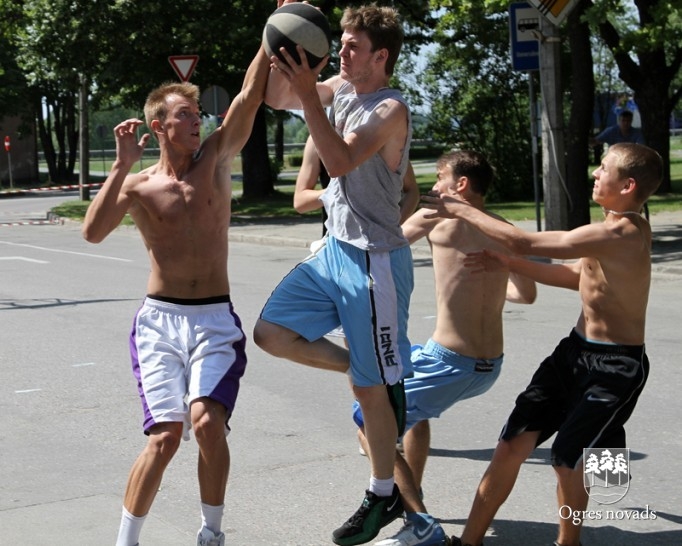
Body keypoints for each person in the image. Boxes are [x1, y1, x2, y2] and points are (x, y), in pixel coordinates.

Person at [420, 143, 663, 546]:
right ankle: (468, 542)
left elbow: (522, 241)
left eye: (604, 169)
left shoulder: (621, 232)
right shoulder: (608, 229)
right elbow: (577, 277)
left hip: (617, 367)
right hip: (573, 354)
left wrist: (461, 208)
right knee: (511, 443)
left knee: (566, 461)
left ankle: (569, 543)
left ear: (628, 185)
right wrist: (509, 265)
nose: (595, 174)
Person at [81, 35, 271, 546]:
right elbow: (92, 232)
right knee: (164, 439)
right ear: (158, 125)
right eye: (185, 115)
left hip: (213, 320)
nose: (197, 122)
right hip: (159, 322)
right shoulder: (139, 185)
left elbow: (249, 96)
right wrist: (120, 164)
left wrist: (269, 35)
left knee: (208, 426)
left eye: (197, 115)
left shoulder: (216, 158)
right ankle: (127, 541)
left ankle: (211, 532)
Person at [253, 3, 414, 545]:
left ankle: (382, 493)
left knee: (371, 393)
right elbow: (273, 97)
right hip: (333, 250)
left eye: (351, 47)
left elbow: (339, 160)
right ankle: (371, 371)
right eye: (339, 43)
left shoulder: (389, 108)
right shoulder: (341, 90)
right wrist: (273, 42)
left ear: (381, 56)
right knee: (271, 333)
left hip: (375, 261)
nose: (339, 52)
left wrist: (306, 91)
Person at [353, 150, 537, 546]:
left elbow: (379, 245)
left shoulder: (439, 217)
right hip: (489, 365)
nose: (435, 187)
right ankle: (411, 501)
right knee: (412, 412)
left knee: (370, 423)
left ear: (461, 185)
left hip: (450, 361)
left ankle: (420, 525)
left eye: (439, 177)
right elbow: (526, 294)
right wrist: (486, 281)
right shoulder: (504, 228)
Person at [294, 134, 419, 231]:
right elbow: (300, 202)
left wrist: (393, 226)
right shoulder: (318, 138)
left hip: (382, 244)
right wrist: (337, 191)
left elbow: (412, 190)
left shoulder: (383, 133)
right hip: (335, 244)